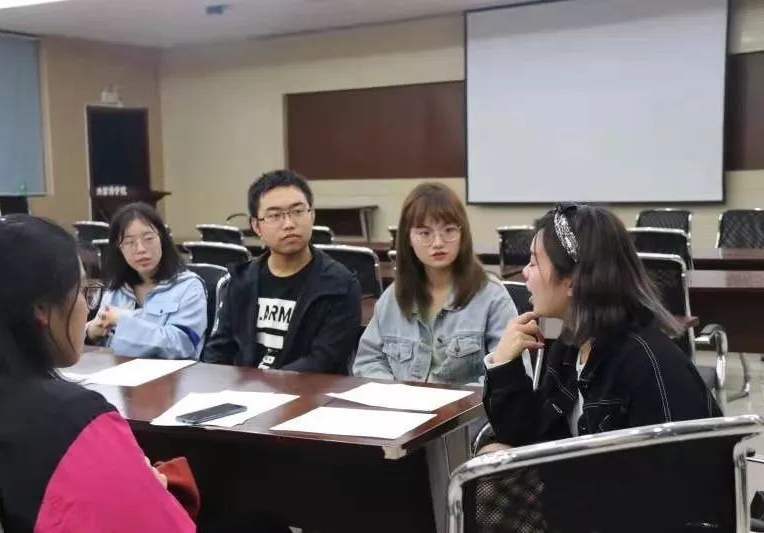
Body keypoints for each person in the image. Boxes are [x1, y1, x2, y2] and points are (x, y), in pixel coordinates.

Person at [0, 215, 194, 532]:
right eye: (82, 291)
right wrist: (139, 491)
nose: (86, 306)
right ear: (41, 309)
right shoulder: (70, 421)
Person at [484, 203, 720, 449]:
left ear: (572, 282)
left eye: (533, 263)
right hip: (585, 474)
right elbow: (526, 438)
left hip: (625, 477)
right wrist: (503, 365)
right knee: (493, 452)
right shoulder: (568, 347)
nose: (524, 272)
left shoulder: (647, 365)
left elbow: (671, 468)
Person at [353, 183, 517, 384]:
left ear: (462, 234)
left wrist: (458, 399)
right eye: (425, 233)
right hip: (403, 404)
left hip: (470, 405)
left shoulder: (492, 296)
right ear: (408, 238)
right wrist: (397, 395)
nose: (438, 242)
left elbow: (510, 376)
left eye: (449, 230)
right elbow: (367, 362)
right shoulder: (393, 298)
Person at [203, 170, 361, 373]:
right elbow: (218, 350)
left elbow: (324, 360)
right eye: (275, 215)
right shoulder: (240, 281)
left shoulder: (340, 285)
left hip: (305, 389)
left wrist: (266, 384)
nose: (289, 224)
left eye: (298, 211)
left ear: (312, 215)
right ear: (257, 226)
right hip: (243, 388)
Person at [86, 203, 207, 359]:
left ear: (162, 239)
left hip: (172, 373)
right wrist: (90, 332)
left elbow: (183, 344)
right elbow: (102, 338)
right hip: (119, 370)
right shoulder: (116, 289)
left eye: (148, 239)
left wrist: (124, 321)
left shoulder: (188, 287)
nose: (140, 249)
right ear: (120, 248)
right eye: (130, 242)